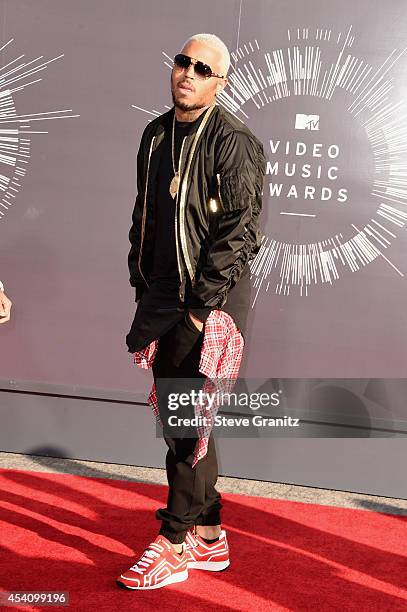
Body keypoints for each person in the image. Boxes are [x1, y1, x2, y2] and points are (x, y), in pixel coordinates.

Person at [117, 33, 266, 591]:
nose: (189, 73)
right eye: (183, 62)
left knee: (184, 421)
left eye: (203, 68)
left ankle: (174, 541)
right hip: (160, 296)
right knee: (185, 423)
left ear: (219, 82)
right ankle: (208, 536)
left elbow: (240, 233)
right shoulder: (156, 134)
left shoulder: (234, 142)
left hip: (210, 303)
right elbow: (145, 215)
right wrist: (141, 281)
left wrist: (202, 309)